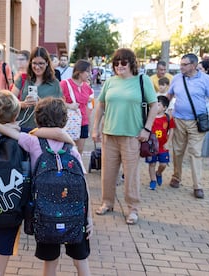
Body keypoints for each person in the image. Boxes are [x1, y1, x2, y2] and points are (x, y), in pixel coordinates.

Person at [0, 95, 92, 276]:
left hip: (38, 213)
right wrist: (88, 218)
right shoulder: (65, 147)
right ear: (65, 120)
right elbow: (84, 185)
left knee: (49, 262)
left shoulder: (32, 141)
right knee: (81, 261)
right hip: (72, 214)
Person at [92, 48, 158, 225]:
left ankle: (133, 209)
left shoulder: (142, 81)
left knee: (131, 175)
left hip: (132, 136)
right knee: (107, 173)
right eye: (116, 63)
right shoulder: (110, 82)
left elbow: (155, 106)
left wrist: (147, 129)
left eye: (123, 62)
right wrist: (95, 128)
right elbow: (100, 105)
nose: (119, 66)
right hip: (109, 134)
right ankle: (107, 202)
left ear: (131, 63)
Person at [167, 53, 209, 199]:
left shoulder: (205, 80)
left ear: (193, 66)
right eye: (180, 64)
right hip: (179, 120)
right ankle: (176, 177)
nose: (180, 67)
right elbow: (168, 97)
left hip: (197, 123)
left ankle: (197, 186)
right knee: (178, 151)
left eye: (184, 64)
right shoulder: (177, 78)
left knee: (195, 152)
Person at [12, 46, 63, 131]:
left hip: (44, 130)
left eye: (41, 63)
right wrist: (22, 104)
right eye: (34, 63)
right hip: (21, 127)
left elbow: (58, 110)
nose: (37, 67)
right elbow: (9, 102)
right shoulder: (23, 79)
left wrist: (41, 104)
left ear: (47, 63)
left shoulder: (54, 84)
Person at [60, 59, 94, 154]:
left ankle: (77, 168)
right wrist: (69, 105)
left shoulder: (87, 87)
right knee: (67, 150)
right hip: (68, 122)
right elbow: (56, 101)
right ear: (79, 71)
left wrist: (90, 124)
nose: (89, 74)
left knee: (79, 151)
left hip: (83, 122)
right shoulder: (65, 84)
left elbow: (88, 106)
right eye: (87, 71)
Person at [145, 96, 175, 190]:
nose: (155, 107)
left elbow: (172, 130)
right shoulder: (150, 117)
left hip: (163, 146)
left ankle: (158, 173)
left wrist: (168, 143)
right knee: (152, 164)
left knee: (163, 164)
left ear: (165, 107)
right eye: (154, 105)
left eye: (158, 105)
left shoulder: (168, 117)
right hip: (151, 146)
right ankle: (153, 180)